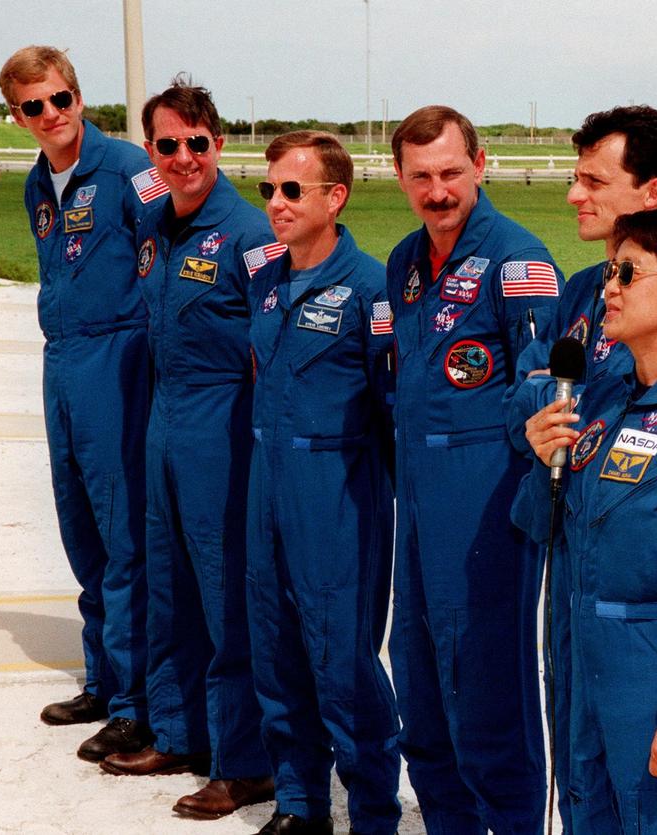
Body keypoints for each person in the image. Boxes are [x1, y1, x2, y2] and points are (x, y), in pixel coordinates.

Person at [504, 104, 657, 830]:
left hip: (635, 589)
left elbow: (645, 420)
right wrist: (540, 417)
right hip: (572, 567)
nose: (575, 195)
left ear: (652, 193)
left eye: (593, 180)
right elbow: (527, 390)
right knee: (581, 777)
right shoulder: (580, 292)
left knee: (649, 792)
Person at [99, 77, 276, 821]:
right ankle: (178, 730)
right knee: (167, 584)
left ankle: (244, 761)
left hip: (223, 430)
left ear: (218, 143)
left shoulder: (250, 232)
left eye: (196, 143)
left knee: (226, 594)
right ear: (151, 150)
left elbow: (273, 344)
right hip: (165, 423)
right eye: (167, 145)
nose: (183, 157)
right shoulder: (155, 226)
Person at [385, 105, 562, 833]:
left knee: (487, 682)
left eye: (451, 172)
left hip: (488, 494)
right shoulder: (403, 262)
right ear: (399, 177)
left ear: (480, 165)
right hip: (418, 496)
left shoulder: (518, 262)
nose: (438, 191)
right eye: (421, 176)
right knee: (419, 672)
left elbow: (544, 385)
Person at [0, 45, 159, 762]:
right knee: (80, 523)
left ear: (78, 97)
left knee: (124, 528)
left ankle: (137, 700)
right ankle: (103, 676)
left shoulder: (128, 167)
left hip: (118, 354)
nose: (52, 115)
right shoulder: (37, 183)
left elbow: (175, 237)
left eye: (60, 99)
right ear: (18, 115)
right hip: (61, 358)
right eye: (35, 106)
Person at [244, 131, 402, 835]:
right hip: (269, 478)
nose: (275, 203)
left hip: (336, 490)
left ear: (334, 197)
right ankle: (300, 800)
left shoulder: (371, 288)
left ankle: (371, 812)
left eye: (291, 190)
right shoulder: (265, 279)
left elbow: (391, 403)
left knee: (341, 659)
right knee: (275, 646)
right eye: (268, 189)